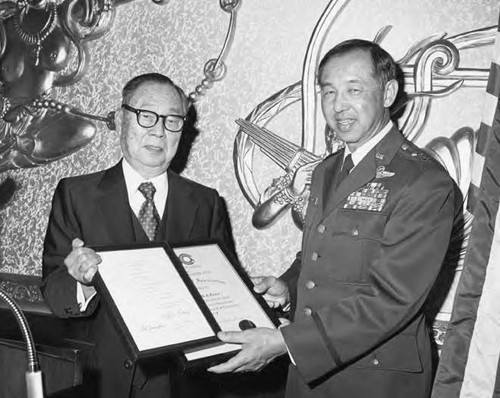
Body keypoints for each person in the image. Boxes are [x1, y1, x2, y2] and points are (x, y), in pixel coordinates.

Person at [208, 39, 459, 398]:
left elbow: (393, 299)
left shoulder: (423, 181)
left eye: (353, 90)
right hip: (309, 375)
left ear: (388, 92)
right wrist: (289, 285)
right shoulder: (326, 169)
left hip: (374, 380)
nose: (338, 106)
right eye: (328, 92)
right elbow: (321, 250)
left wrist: (286, 342)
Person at [41, 72, 236, 397]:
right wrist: (81, 281)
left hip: (182, 385)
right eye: (146, 116)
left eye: (173, 120)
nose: (159, 131)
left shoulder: (206, 202)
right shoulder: (76, 195)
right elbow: (56, 295)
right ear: (120, 118)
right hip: (102, 383)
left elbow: (222, 295)